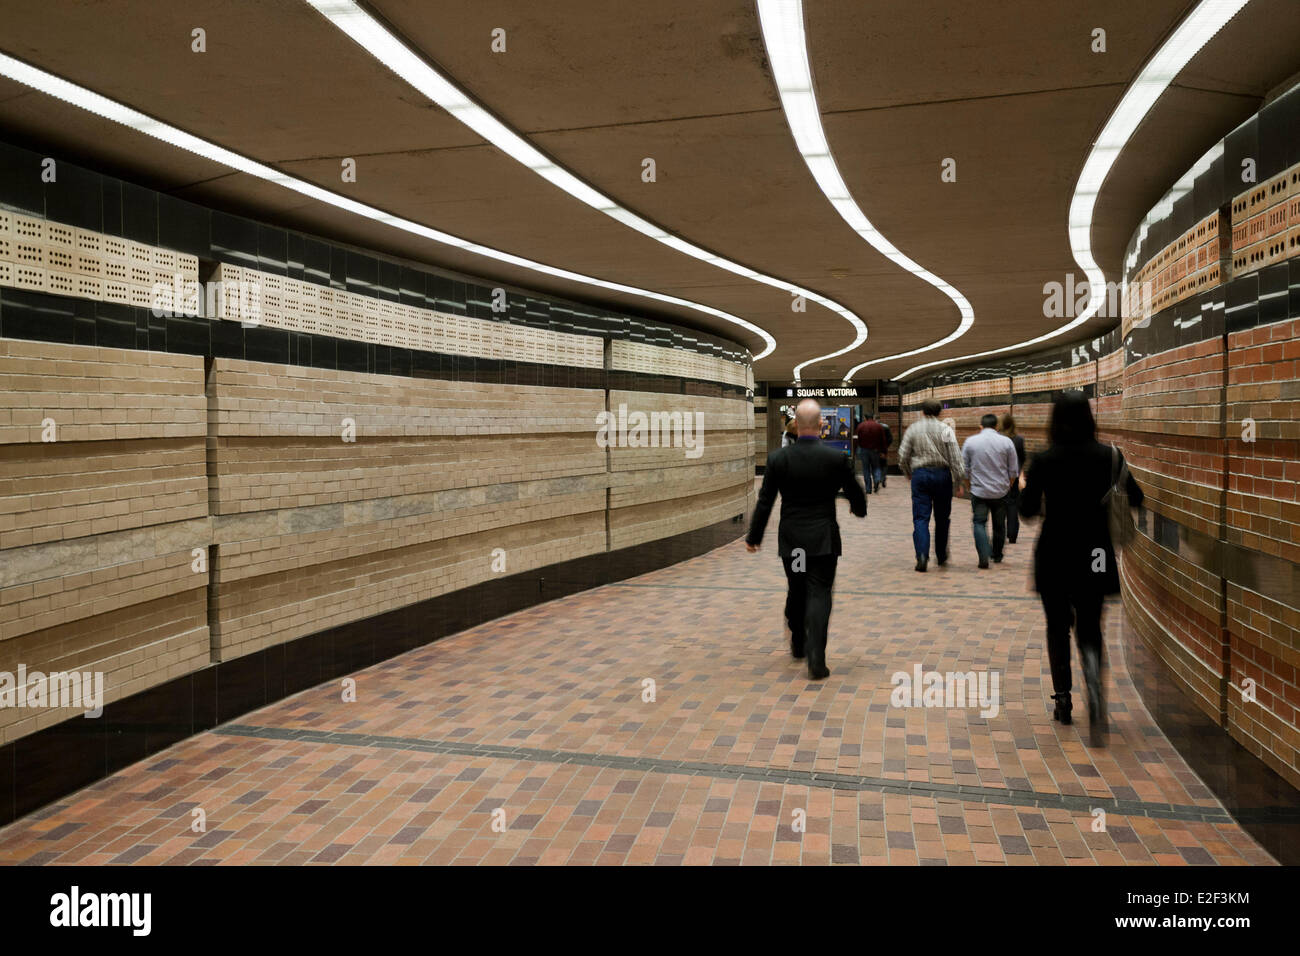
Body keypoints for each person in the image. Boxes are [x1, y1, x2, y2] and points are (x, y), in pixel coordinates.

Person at [1018, 391, 1143, 746]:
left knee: (1057, 627)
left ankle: (1063, 700)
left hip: (1054, 552)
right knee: (1090, 626)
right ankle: (1094, 685)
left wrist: (1031, 492)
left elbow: (1026, 512)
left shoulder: (1043, 460)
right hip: (1096, 553)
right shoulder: (1109, 457)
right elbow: (1136, 498)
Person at [747, 398, 867, 679]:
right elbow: (855, 491)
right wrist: (858, 510)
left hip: (794, 543)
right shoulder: (836, 458)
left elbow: (765, 501)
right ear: (821, 425)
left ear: (797, 425)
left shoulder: (778, 459)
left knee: (797, 587)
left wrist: (754, 536)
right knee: (820, 593)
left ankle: (798, 642)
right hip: (823, 541)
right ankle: (817, 656)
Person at [897, 399, 966, 573]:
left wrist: (908, 473)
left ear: (922, 412)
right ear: (939, 413)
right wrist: (958, 482)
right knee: (943, 518)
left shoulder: (913, 429)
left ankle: (921, 555)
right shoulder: (946, 430)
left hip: (920, 475)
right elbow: (956, 459)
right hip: (942, 475)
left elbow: (902, 456)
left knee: (921, 517)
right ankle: (941, 555)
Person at [961, 414, 1020, 569]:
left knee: (979, 523)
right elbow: (1013, 471)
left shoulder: (970, 442)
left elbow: (965, 470)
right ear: (997, 427)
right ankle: (997, 555)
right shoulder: (1006, 442)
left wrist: (968, 486)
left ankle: (983, 554)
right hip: (1000, 492)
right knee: (999, 525)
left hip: (979, 491)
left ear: (981, 426)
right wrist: (1008, 485)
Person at [1000, 414, 1027, 543]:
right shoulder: (1019, 439)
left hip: (1000, 476)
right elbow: (1023, 457)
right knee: (1013, 505)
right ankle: (1012, 534)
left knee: (1001, 504)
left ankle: (1000, 532)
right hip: (1014, 475)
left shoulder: (999, 438)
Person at [854, 411, 888, 494]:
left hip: (864, 450)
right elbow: (883, 440)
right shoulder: (878, 426)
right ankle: (877, 479)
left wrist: (855, 450)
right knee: (876, 467)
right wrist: (884, 451)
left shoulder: (861, 426)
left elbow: (856, 439)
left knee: (866, 469)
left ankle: (868, 489)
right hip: (875, 450)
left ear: (865, 418)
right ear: (873, 417)